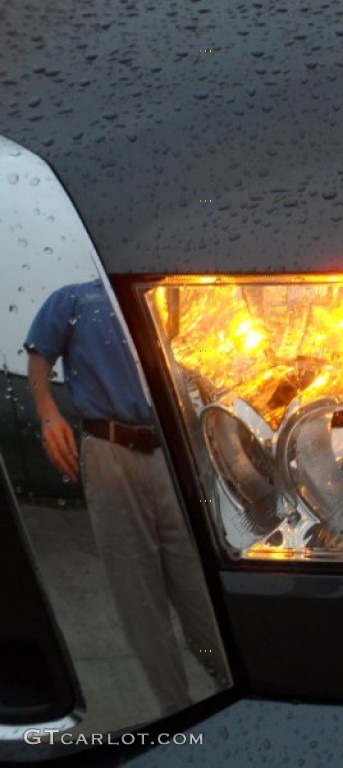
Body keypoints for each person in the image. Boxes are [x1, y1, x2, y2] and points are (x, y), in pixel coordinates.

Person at [25, 278, 228, 714]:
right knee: (139, 598)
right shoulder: (75, 297)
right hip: (109, 452)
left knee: (196, 588)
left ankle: (224, 679)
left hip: (172, 457)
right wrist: (48, 416)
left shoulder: (172, 296)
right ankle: (176, 709)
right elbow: (39, 354)